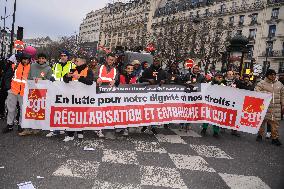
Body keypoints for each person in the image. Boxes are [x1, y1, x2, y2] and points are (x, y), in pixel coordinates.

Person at [18, 53, 53, 136]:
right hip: (31, 90)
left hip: (42, 92)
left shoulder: (48, 68)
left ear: (45, 59)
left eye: (43, 58)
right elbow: (29, 77)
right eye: (39, 58)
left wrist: (42, 79)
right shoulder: (32, 66)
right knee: (29, 109)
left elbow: (49, 80)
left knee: (39, 110)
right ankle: (27, 128)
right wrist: (30, 80)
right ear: (37, 59)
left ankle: (36, 127)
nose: (41, 60)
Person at [46, 50, 76, 137]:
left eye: (65, 56)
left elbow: (75, 77)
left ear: (67, 57)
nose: (63, 57)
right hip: (56, 90)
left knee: (66, 110)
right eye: (62, 55)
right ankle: (54, 129)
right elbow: (51, 74)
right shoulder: (55, 65)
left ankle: (64, 128)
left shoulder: (72, 65)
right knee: (55, 109)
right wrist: (51, 77)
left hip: (67, 90)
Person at [62, 57, 94, 142]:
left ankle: (80, 131)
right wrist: (67, 76)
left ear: (83, 62)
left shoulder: (89, 71)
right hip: (72, 98)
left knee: (81, 115)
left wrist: (79, 77)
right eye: (75, 61)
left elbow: (90, 81)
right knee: (71, 115)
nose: (75, 62)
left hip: (83, 98)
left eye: (77, 61)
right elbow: (65, 80)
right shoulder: (73, 70)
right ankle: (70, 134)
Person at [2, 53, 32, 133]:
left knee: (23, 110)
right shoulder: (15, 66)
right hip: (13, 91)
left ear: (29, 60)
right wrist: (9, 88)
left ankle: (21, 125)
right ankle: (9, 125)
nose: (25, 61)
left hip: (24, 92)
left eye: (27, 60)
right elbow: (7, 77)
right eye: (24, 59)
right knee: (11, 109)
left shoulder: (30, 68)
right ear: (21, 59)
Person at [255, 69, 284, 146]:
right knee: (262, 122)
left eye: (274, 74)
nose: (273, 76)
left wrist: (283, 104)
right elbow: (256, 91)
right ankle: (260, 135)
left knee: (275, 124)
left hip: (276, 107)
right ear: (267, 75)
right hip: (264, 106)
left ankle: (275, 138)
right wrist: (266, 93)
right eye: (271, 75)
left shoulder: (279, 84)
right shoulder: (262, 83)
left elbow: (282, 95)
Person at [139, 56, 167, 135]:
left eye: (158, 61)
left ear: (159, 62)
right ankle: (144, 125)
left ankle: (153, 126)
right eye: (155, 61)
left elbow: (167, 79)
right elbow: (140, 79)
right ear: (153, 61)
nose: (156, 62)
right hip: (147, 94)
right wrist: (148, 80)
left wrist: (164, 81)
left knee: (155, 111)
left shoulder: (162, 71)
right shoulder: (148, 70)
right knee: (146, 110)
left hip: (158, 94)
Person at [96, 53, 119, 138]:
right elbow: (94, 75)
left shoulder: (115, 69)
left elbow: (117, 79)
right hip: (98, 92)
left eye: (112, 60)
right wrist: (96, 78)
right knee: (99, 110)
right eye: (109, 59)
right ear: (106, 59)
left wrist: (115, 81)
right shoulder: (100, 67)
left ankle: (102, 128)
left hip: (109, 93)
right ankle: (98, 129)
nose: (111, 61)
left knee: (106, 111)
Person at [201, 72, 225, 138]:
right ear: (215, 77)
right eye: (218, 77)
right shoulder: (209, 84)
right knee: (207, 116)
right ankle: (204, 128)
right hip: (209, 103)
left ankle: (215, 132)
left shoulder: (223, 86)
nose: (219, 78)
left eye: (221, 77)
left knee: (216, 118)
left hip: (218, 104)